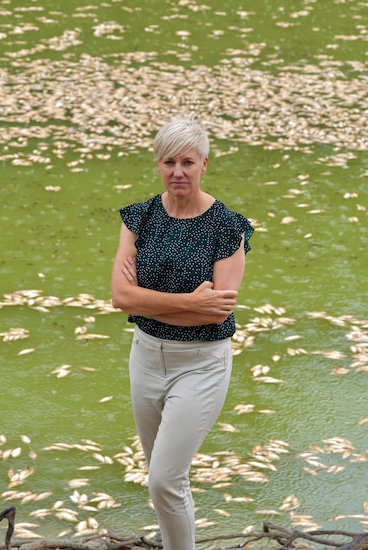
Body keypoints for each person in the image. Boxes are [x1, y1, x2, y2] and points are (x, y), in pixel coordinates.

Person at [110, 119, 253, 550]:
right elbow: (119, 297)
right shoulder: (140, 217)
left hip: (201, 364)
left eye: (187, 161)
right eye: (169, 161)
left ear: (204, 164)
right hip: (145, 358)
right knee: (163, 477)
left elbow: (216, 313)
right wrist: (191, 302)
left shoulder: (228, 227)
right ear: (158, 164)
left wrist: (146, 298)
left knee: (163, 479)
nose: (178, 171)